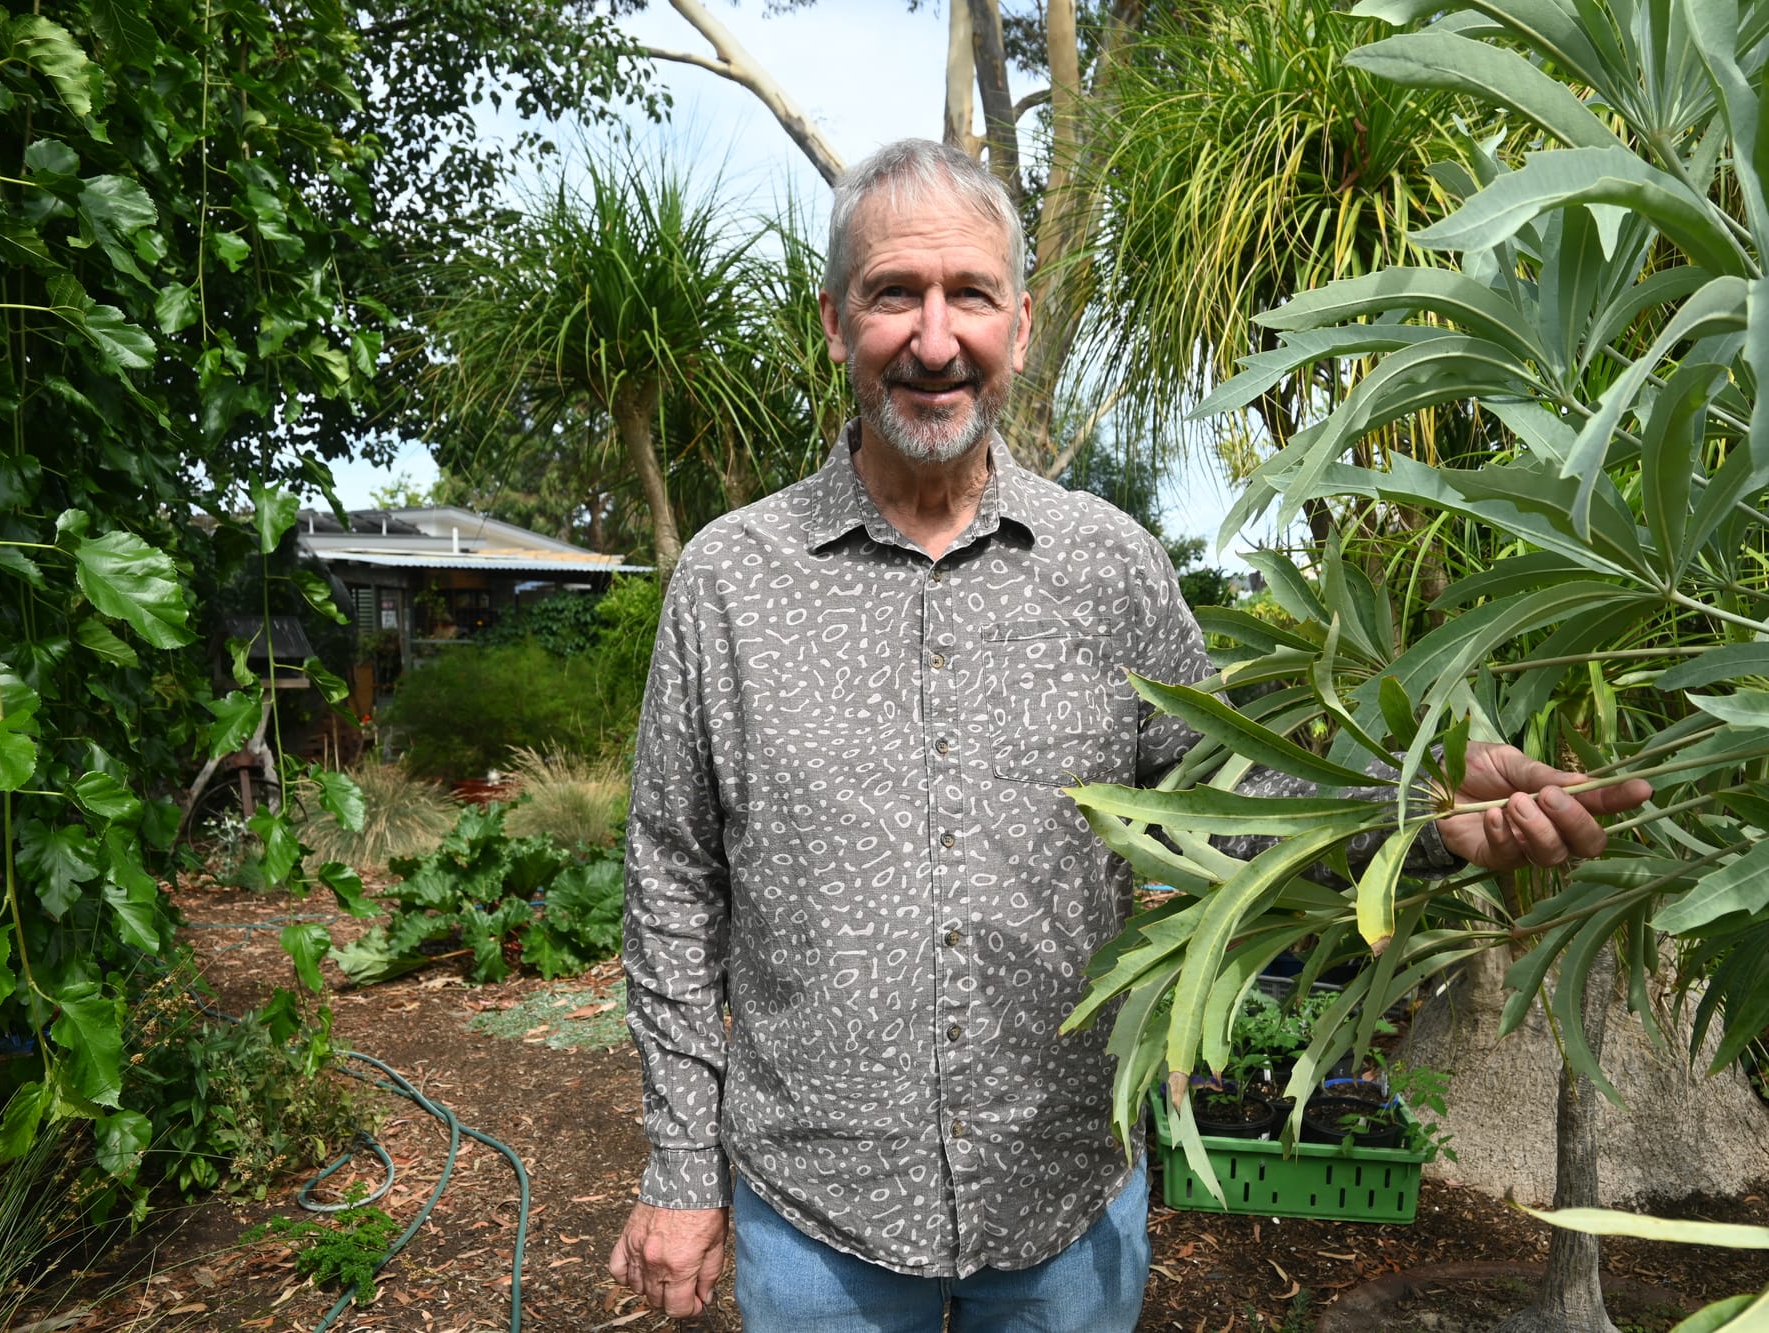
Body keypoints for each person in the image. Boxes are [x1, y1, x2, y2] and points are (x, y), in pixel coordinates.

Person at [609, 138, 1649, 1331]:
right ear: (838, 321)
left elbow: (1232, 792)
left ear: (1022, 319)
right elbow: (672, 888)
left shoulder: (1108, 568)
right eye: (895, 293)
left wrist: (1417, 807)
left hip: (1063, 1211)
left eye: (971, 296)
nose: (934, 340)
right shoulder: (731, 580)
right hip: (815, 1218)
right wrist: (683, 1171)